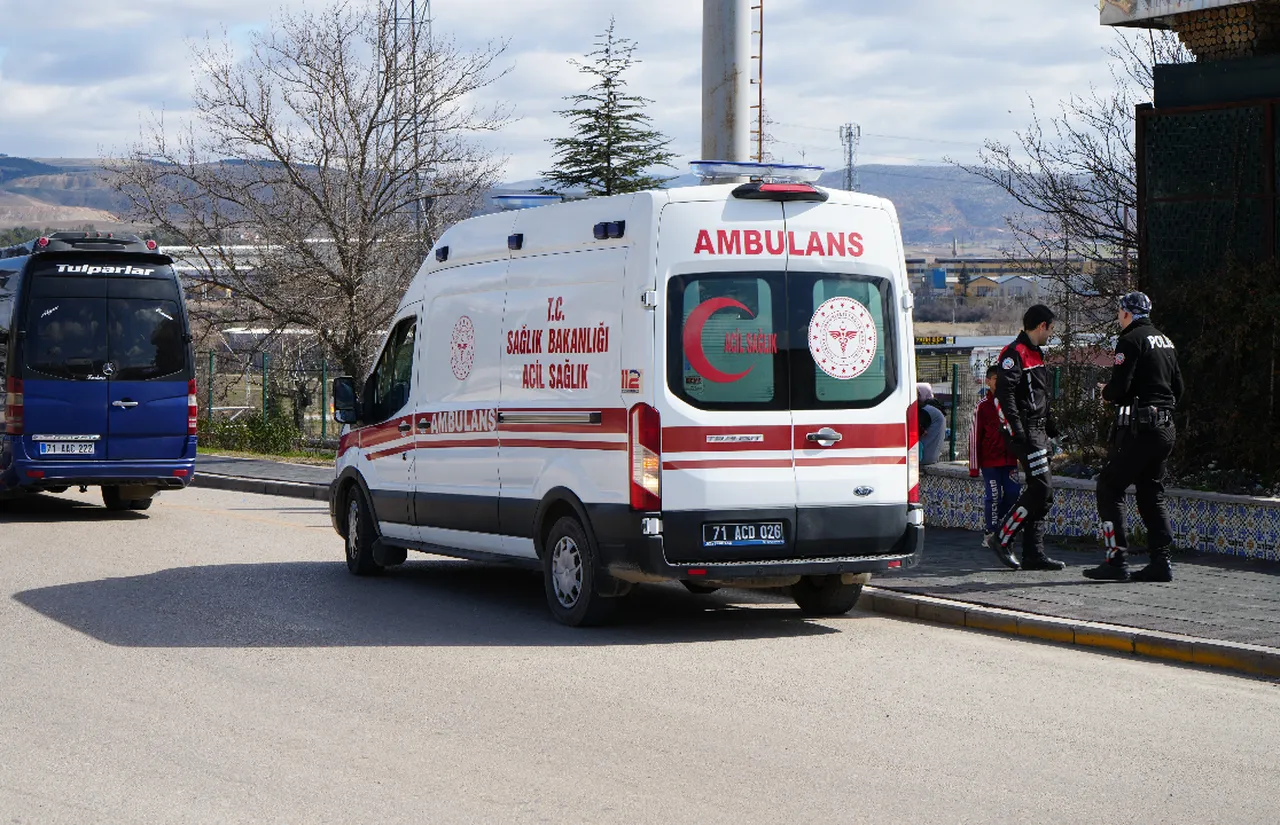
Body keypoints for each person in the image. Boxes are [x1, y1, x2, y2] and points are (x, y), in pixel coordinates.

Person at [1084, 291, 1183, 582]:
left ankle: (1116, 560)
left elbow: (1120, 388)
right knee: (1151, 490)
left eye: (1119, 312)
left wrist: (1104, 392)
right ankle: (1161, 562)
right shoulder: (1166, 341)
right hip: (1165, 428)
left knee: (1109, 487)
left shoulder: (1129, 340)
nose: (1118, 317)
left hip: (1139, 428)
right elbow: (1179, 388)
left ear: (1126, 313)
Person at [981, 304, 1067, 571]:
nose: (1051, 334)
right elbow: (1004, 396)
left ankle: (1034, 553)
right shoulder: (1013, 353)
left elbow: (1040, 397)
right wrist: (1018, 430)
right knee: (1040, 489)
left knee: (1043, 494)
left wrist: (1052, 428)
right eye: (1051, 329)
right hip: (1025, 432)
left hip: (1039, 431)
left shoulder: (1036, 353)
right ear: (1042, 325)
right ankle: (1003, 538)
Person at [969, 365, 1021, 546]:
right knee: (993, 496)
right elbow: (974, 436)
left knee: (1014, 493)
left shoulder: (1012, 404)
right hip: (990, 462)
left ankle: (1002, 527)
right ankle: (990, 531)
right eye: (996, 380)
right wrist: (974, 467)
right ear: (989, 381)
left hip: (1009, 461)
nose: (1000, 384)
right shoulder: (982, 407)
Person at [917, 383, 946, 466]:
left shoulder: (925, 410)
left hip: (923, 457)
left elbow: (916, 430)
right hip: (931, 455)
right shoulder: (933, 407)